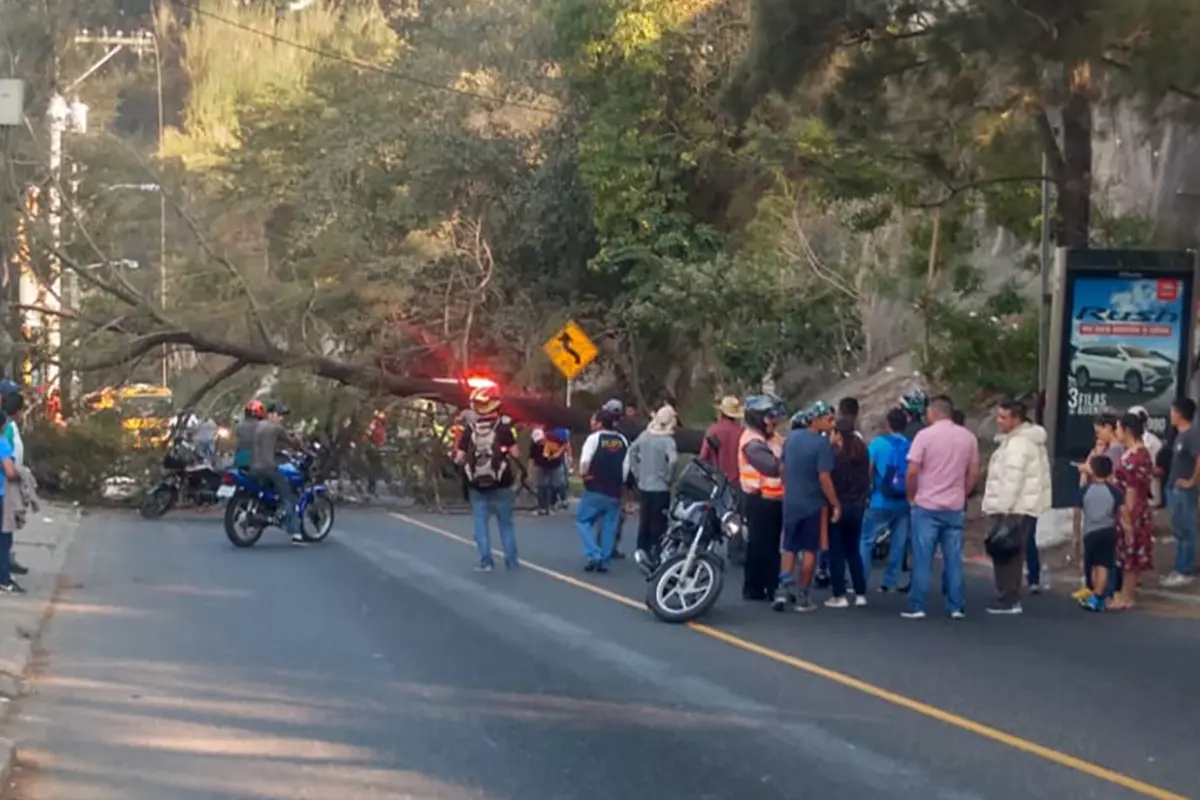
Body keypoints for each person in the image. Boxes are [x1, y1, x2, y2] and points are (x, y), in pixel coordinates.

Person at [903, 396, 979, 619]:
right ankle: (956, 605)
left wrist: (911, 495)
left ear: (934, 413)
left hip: (926, 504)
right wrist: (963, 492)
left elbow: (912, 471)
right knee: (953, 557)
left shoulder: (924, 436)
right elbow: (974, 472)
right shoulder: (968, 437)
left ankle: (917, 605)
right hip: (954, 505)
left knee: (923, 557)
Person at [980, 399, 1052, 615]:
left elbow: (1012, 479)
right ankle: (1008, 596)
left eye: (1003, 417)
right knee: (1010, 551)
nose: (999, 421)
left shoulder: (1019, 444)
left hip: (1013, 508)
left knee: (1007, 553)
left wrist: (1003, 509)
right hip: (1021, 505)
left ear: (1016, 418)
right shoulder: (1020, 440)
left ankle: (1008, 598)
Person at [777, 400, 839, 613]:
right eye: (829, 420)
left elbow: (782, 468)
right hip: (812, 504)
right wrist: (835, 503)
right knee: (810, 549)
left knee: (789, 546)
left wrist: (788, 487)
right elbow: (824, 477)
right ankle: (804, 594)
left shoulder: (790, 438)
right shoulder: (821, 444)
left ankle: (783, 589)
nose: (832, 424)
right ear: (816, 420)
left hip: (791, 501)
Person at [454, 386, 520, 571]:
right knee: (506, 525)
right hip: (502, 483)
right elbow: (516, 452)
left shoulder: (470, 429)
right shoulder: (503, 427)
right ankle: (511, 562)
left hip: (476, 485)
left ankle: (486, 562)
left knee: (481, 524)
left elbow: (459, 456)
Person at [738, 395, 785, 601]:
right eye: (770, 417)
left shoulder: (773, 437)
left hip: (773, 499)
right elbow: (772, 467)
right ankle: (758, 587)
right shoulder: (752, 443)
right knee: (759, 545)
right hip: (758, 499)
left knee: (770, 545)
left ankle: (766, 585)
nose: (774, 421)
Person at [575, 399, 629, 572]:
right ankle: (604, 560)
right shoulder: (622, 440)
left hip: (595, 488)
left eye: (593, 420)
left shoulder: (594, 439)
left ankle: (594, 553)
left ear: (599, 423)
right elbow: (626, 468)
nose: (591, 423)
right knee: (609, 526)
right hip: (614, 491)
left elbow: (585, 462)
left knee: (583, 521)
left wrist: (584, 476)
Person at [861, 408, 911, 592]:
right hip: (903, 500)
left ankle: (862, 580)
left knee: (866, 539)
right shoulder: (909, 444)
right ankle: (890, 582)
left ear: (888, 424)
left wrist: (866, 493)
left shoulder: (877, 444)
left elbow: (868, 470)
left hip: (880, 500)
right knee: (899, 543)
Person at [1108, 412, 1154, 610]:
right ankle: (1125, 595)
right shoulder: (1136, 454)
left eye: (1118, 428)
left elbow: (1132, 490)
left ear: (1126, 430)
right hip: (1129, 507)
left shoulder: (1135, 458)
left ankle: (1127, 597)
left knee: (1130, 553)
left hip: (1132, 509)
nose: (1116, 432)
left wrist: (1127, 517)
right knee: (1127, 553)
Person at [626, 406, 678, 564]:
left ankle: (641, 550)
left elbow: (632, 451)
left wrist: (637, 471)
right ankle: (657, 553)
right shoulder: (668, 440)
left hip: (644, 485)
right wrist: (669, 476)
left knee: (645, 520)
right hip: (661, 487)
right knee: (659, 523)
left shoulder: (645, 436)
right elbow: (674, 460)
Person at [826, 416, 868, 607]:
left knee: (836, 552)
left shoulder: (833, 455)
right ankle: (860, 593)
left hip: (838, 506)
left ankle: (839, 594)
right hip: (857, 506)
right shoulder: (861, 451)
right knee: (853, 550)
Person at [250, 401, 303, 543]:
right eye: (279, 415)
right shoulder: (276, 428)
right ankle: (295, 531)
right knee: (289, 495)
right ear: (271, 414)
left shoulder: (258, 426)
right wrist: (298, 440)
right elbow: (292, 443)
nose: (281, 418)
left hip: (252, 467)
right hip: (268, 468)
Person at [1162, 397, 1200, 588]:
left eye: (1173, 411)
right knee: (1178, 529)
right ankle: (1180, 566)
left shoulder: (1193, 434)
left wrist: (1192, 481)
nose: (1171, 415)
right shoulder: (1179, 434)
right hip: (1173, 487)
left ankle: (1185, 569)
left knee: (1186, 529)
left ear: (1181, 413)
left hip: (1184, 490)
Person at [1075, 455, 1121, 611]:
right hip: (1108, 530)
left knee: (1093, 565)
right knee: (1104, 564)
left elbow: (1077, 515)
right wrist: (1126, 530)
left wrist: (1076, 535)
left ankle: (1097, 596)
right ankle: (1098, 596)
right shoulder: (1114, 492)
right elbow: (1121, 513)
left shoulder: (1084, 491)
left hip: (1090, 532)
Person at [1, 391, 28, 577]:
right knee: (5, 531)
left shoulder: (10, 427)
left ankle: (6, 562)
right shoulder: (7, 431)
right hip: (5, 488)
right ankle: (4, 572)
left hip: (7, 487)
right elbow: (7, 460)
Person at [0, 409, 21, 594]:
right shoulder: (2, 444)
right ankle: (4, 579)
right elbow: (10, 472)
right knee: (4, 537)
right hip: (1, 495)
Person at [1129, 405, 1164, 505]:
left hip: (1150, 492)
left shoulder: (1153, 441)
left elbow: (1160, 469)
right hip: (1133, 493)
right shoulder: (1129, 439)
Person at [234, 399, 265, 470]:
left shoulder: (240, 426)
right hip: (258, 464)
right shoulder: (263, 426)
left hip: (241, 462)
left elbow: (238, 445)